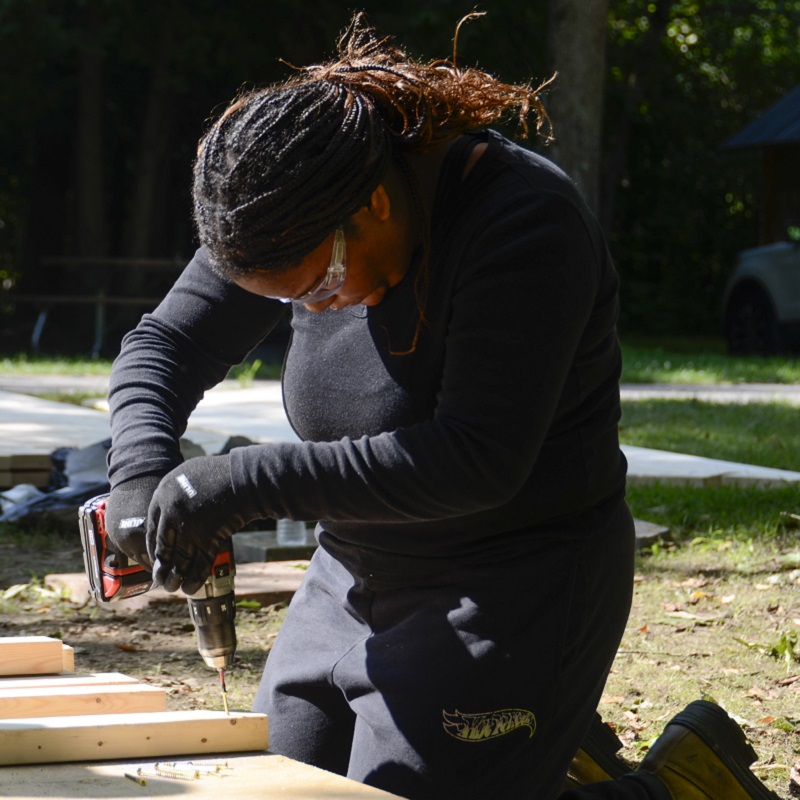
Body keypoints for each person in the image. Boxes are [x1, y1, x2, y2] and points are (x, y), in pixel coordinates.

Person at [103, 13, 780, 800]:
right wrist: (141, 469)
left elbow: (474, 460)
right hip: (352, 575)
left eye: (321, 285)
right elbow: (163, 348)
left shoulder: (524, 223)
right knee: (277, 791)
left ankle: (685, 787)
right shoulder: (277, 205)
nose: (315, 310)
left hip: (509, 583)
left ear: (376, 207)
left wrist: (243, 482)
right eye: (287, 300)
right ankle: (540, 765)